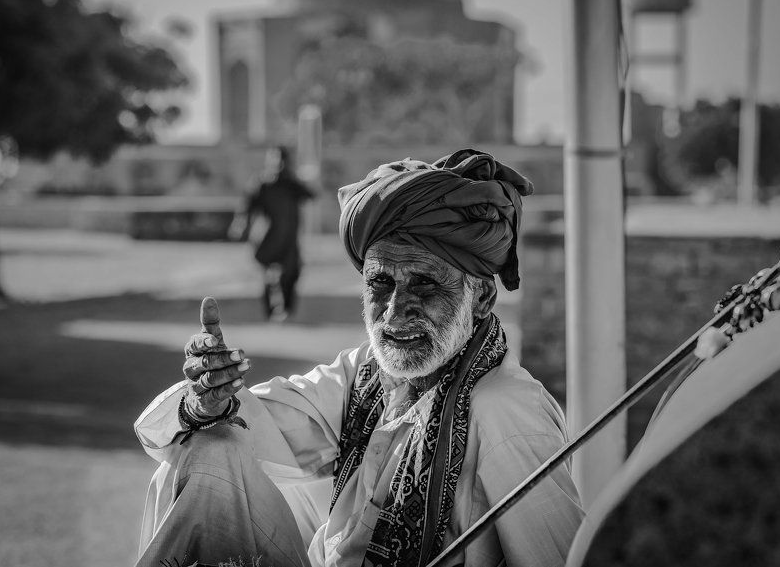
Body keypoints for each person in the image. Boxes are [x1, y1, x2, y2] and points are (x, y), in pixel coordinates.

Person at [135, 149, 584, 567]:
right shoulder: (366, 374)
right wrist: (205, 401)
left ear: (482, 297)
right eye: (380, 284)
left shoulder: (507, 409)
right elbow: (257, 423)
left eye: (425, 284)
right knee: (207, 450)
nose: (395, 312)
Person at [229, 145, 315, 321]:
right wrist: (240, 224)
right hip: (268, 237)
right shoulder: (262, 183)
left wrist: (303, 178)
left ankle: (287, 310)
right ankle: (270, 310)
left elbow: (311, 195)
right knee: (269, 275)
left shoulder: (292, 184)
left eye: (282, 159)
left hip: (289, 238)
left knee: (291, 274)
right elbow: (247, 206)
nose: (278, 163)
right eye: (274, 158)